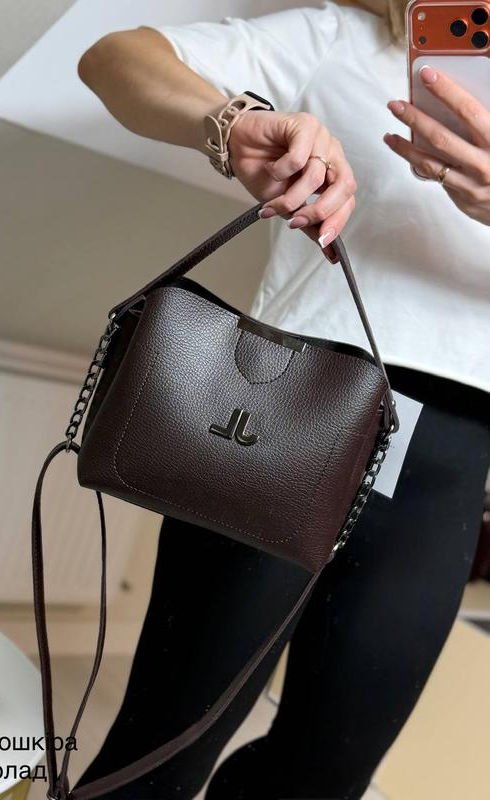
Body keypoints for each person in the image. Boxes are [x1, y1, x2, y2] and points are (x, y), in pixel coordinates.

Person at [74, 1, 490, 797]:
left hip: (449, 466)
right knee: (160, 749)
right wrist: (228, 123)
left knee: (323, 777)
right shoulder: (338, 38)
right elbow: (114, 57)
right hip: (287, 421)